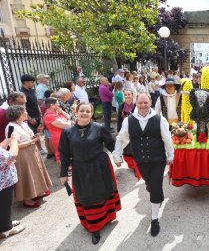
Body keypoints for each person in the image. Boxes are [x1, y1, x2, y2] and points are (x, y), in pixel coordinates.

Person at [59, 103, 121, 245]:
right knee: (87, 197)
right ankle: (95, 227)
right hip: (80, 169)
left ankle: (107, 217)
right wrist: (63, 174)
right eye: (82, 111)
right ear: (76, 112)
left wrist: (118, 158)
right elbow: (64, 154)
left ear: (92, 113)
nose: (85, 113)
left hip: (100, 167)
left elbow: (111, 143)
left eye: (88, 111)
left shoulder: (99, 128)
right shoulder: (68, 132)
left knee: (102, 192)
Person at [113, 93, 174, 237]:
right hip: (141, 160)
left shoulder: (160, 119)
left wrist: (170, 155)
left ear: (150, 102)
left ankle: (154, 219)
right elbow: (121, 138)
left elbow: (167, 139)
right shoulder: (129, 121)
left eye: (145, 102)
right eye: (140, 103)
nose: (143, 105)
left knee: (155, 187)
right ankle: (153, 188)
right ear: (136, 103)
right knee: (150, 183)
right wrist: (117, 155)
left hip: (158, 160)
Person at [5, 105, 52, 207]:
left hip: (31, 151)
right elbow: (11, 144)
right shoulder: (10, 127)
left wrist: (33, 137)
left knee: (35, 172)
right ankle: (26, 199)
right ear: (18, 114)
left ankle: (36, 192)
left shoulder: (23, 123)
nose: (26, 113)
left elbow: (28, 136)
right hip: (22, 154)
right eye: (24, 111)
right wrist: (31, 142)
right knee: (26, 175)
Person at [0, 132, 24, 239]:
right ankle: (6, 229)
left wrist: (7, 140)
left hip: (3, 182)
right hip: (3, 184)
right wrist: (14, 140)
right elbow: (12, 156)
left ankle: (5, 223)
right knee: (4, 205)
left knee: (4, 205)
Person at [116, 89, 140, 177]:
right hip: (125, 131)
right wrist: (118, 130)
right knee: (127, 149)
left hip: (135, 131)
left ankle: (137, 167)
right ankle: (132, 166)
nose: (127, 96)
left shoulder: (136, 106)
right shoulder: (121, 106)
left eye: (129, 94)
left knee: (135, 149)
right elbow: (119, 119)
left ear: (132, 95)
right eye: (125, 95)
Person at [43, 98, 72, 167]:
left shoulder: (57, 112)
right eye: (57, 103)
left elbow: (69, 117)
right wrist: (70, 122)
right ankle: (64, 172)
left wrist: (61, 111)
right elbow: (65, 125)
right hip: (59, 138)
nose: (59, 105)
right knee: (61, 155)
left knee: (68, 154)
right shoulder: (49, 116)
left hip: (65, 136)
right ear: (52, 105)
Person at [20, 74, 43, 151]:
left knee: (38, 132)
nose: (33, 84)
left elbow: (36, 102)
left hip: (37, 114)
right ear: (25, 82)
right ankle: (37, 150)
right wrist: (29, 119)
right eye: (32, 82)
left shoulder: (32, 90)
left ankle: (40, 149)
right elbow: (23, 108)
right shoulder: (22, 93)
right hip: (30, 117)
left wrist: (40, 112)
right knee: (32, 134)